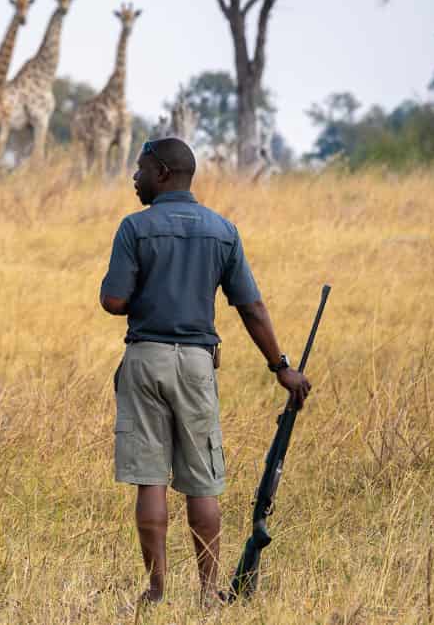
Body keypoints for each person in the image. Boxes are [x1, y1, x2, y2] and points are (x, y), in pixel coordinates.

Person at [99, 138, 311, 607]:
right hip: (197, 364)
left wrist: (149, 297)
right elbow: (251, 307)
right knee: (202, 479)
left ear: (162, 172)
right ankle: (207, 592)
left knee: (150, 479)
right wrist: (282, 367)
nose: (134, 178)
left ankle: (155, 592)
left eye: (139, 169)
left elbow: (113, 301)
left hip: (145, 358)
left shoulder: (134, 228)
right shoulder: (223, 230)